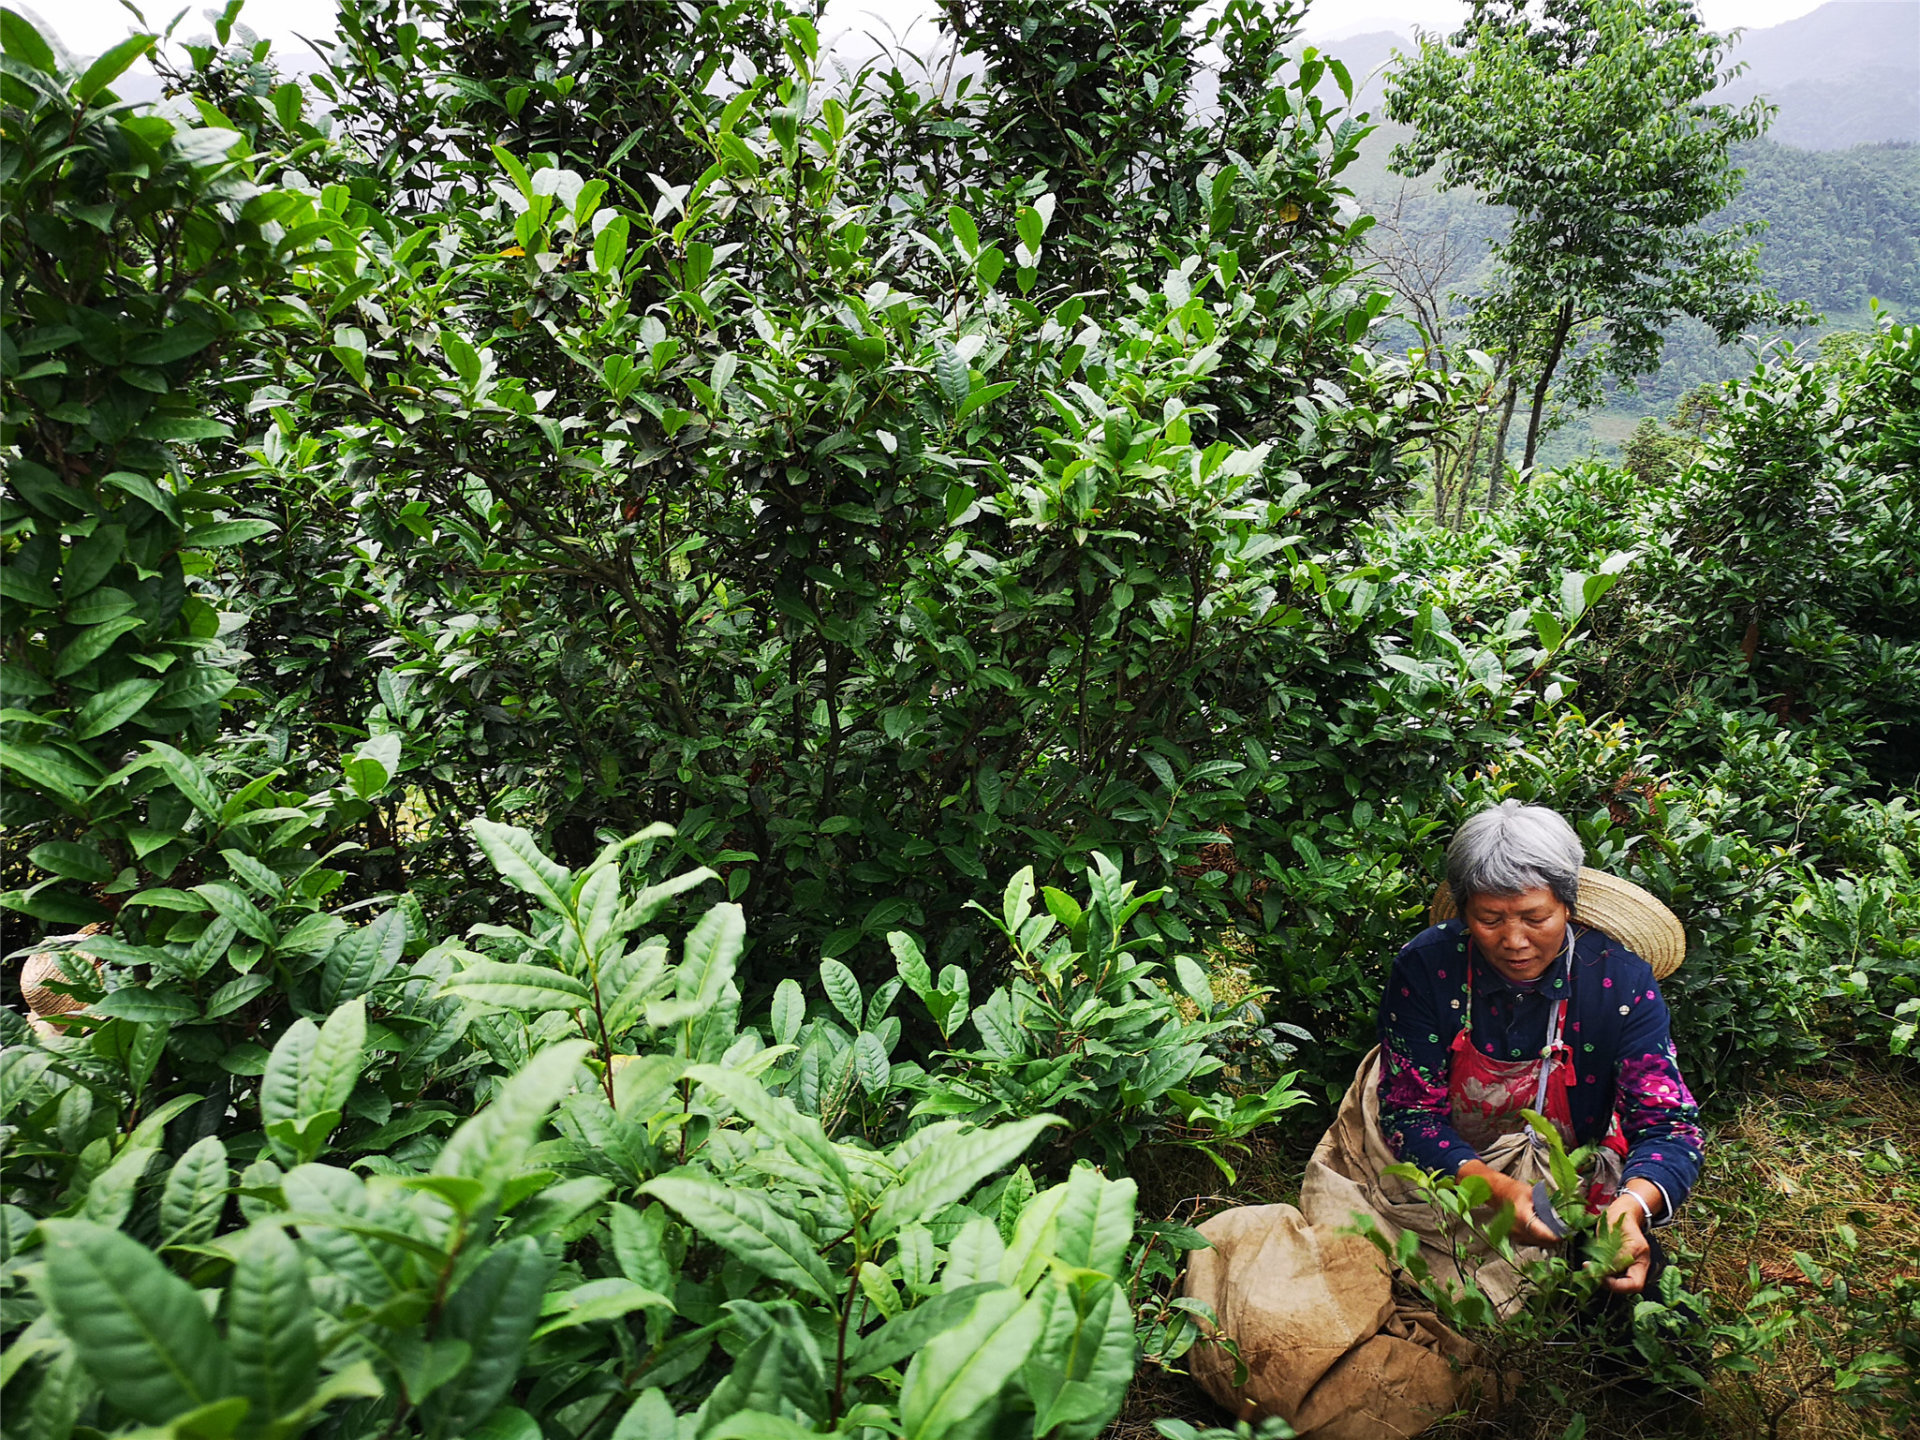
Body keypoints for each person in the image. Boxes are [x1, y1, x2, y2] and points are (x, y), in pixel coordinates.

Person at [1184, 800, 1704, 1439]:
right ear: (1463, 911)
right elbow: (1407, 1110)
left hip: (1558, 1173)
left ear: (1569, 904)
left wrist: (1630, 1208)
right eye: (1490, 920)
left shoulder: (1619, 983)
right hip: (1420, 1166)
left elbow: (1669, 1126)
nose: (1514, 941)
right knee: (1345, 1278)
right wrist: (1487, 1184)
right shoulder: (1427, 967)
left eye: (1535, 917)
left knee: (1650, 1331)